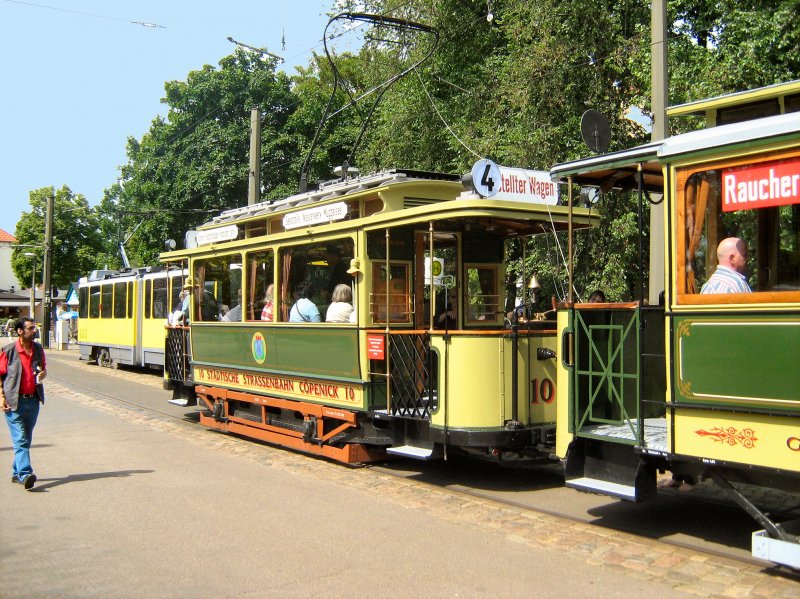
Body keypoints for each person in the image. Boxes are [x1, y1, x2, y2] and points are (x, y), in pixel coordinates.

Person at [1, 317, 47, 491]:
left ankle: (16, 471)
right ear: (20, 331)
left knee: (26, 439)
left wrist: (43, 374)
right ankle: (26, 474)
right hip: (13, 402)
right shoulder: (9, 351)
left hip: (33, 401)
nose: (34, 330)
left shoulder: (38, 349)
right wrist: (1, 397)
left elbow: (43, 369)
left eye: (34, 327)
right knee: (20, 440)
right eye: (30, 328)